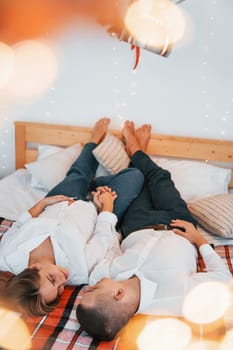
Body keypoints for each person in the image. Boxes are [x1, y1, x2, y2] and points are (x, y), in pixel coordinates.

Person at [76, 120, 233, 341]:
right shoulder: (180, 299)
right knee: (160, 178)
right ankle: (137, 149)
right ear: (118, 294)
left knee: (139, 180)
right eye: (92, 291)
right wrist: (199, 240)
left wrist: (110, 214)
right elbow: (224, 279)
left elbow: (109, 243)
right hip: (178, 222)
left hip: (136, 224)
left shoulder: (103, 275)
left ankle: (137, 151)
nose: (88, 288)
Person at [0, 118, 144, 317]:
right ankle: (102, 184)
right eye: (59, 291)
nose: (63, 280)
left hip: (60, 200)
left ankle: (94, 141)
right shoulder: (78, 272)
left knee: (78, 174)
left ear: (33, 267)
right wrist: (106, 205)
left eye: (52, 279)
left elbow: (19, 224)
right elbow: (102, 237)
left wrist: (43, 203)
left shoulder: (7, 256)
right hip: (97, 211)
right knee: (135, 176)